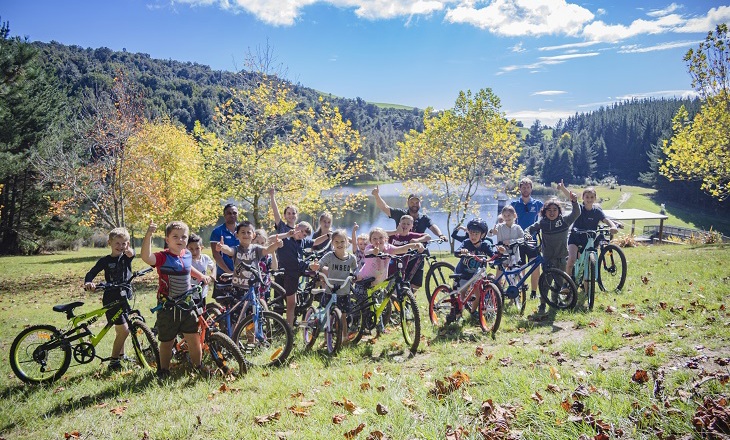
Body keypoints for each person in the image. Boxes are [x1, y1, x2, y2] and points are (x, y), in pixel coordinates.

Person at [141, 220, 211, 379]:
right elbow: (146, 256)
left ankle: (198, 366)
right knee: (167, 341)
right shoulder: (163, 257)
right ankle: (163, 370)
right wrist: (149, 234)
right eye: (175, 237)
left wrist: (201, 276)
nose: (180, 240)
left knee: (193, 338)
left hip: (187, 304)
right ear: (167, 240)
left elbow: (188, 269)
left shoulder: (186, 254)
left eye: (183, 237)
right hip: (168, 306)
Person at [524, 180, 581, 321]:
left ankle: (554, 303)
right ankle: (543, 304)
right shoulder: (543, 223)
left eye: (555, 210)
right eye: (549, 210)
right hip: (547, 258)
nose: (552, 212)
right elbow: (530, 229)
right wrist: (526, 234)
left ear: (559, 211)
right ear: (544, 212)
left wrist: (574, 201)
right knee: (545, 283)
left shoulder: (565, 221)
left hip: (561, 257)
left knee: (559, 283)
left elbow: (577, 212)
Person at [371, 186, 446, 292]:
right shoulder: (401, 214)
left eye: (417, 202)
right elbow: (385, 208)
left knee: (415, 283)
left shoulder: (424, 218)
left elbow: (432, 226)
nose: (414, 204)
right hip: (401, 252)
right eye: (412, 202)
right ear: (408, 203)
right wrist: (376, 195)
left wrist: (440, 235)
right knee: (398, 279)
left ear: (420, 204)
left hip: (417, 253)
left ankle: (408, 301)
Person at [83, 227, 136, 371]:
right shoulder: (105, 261)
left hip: (125, 297)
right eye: (117, 243)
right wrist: (89, 282)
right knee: (124, 330)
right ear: (110, 243)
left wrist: (130, 251)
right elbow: (91, 273)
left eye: (124, 243)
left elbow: (132, 254)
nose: (121, 247)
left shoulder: (126, 256)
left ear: (128, 244)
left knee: (122, 329)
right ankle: (113, 362)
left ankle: (121, 355)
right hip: (111, 298)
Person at [273, 221, 330, 327]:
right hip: (289, 271)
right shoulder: (286, 237)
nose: (302, 235)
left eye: (304, 234)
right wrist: (286, 234)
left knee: (324, 272)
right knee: (292, 303)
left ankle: (326, 298)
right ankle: (289, 329)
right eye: (301, 231)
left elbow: (315, 242)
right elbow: (271, 239)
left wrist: (327, 236)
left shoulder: (302, 241)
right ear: (296, 226)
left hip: (301, 268)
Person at [212, 221, 283, 303]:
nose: (246, 235)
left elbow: (267, 250)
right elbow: (229, 250)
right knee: (238, 313)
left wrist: (276, 245)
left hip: (254, 286)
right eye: (243, 232)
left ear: (253, 235)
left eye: (248, 232)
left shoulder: (256, 249)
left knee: (254, 310)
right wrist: (222, 247)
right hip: (238, 286)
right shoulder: (236, 249)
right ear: (237, 235)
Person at [309, 230, 356, 342]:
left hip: (344, 291)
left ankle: (344, 338)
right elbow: (319, 264)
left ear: (346, 243)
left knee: (343, 316)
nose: (339, 244)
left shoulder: (351, 258)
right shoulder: (330, 256)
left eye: (342, 241)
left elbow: (356, 270)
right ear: (332, 243)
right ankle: (326, 340)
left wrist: (356, 275)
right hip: (330, 290)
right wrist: (315, 266)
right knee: (328, 316)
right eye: (336, 242)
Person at [565, 187, 619, 281]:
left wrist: (613, 226)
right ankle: (566, 282)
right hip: (575, 238)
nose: (589, 199)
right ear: (583, 197)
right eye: (587, 197)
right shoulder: (579, 208)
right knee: (572, 259)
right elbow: (571, 199)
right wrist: (562, 188)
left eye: (591, 197)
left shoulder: (597, 211)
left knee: (587, 264)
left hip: (588, 240)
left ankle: (587, 289)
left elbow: (606, 220)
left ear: (595, 198)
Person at [448, 218, 495, 323]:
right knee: (461, 294)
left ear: (482, 235)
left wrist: (498, 255)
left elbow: (492, 255)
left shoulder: (485, 245)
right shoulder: (466, 243)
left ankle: (473, 312)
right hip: (462, 272)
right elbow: (457, 252)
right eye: (471, 233)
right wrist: (462, 251)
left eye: (476, 234)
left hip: (475, 274)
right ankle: (458, 314)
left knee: (478, 294)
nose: (473, 236)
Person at [511, 178, 544, 300]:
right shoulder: (514, 204)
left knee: (535, 266)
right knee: (520, 267)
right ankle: (520, 290)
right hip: (517, 240)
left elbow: (547, 215)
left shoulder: (537, 204)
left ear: (531, 188)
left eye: (528, 187)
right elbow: (504, 216)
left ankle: (534, 292)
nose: (525, 189)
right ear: (520, 189)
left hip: (531, 239)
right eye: (523, 187)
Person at [358, 227, 425, 285]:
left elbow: (402, 249)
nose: (378, 240)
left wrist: (416, 245)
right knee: (362, 298)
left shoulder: (389, 248)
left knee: (380, 299)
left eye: (381, 238)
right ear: (370, 241)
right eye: (374, 239)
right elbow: (367, 252)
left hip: (380, 281)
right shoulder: (369, 247)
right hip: (365, 279)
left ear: (386, 239)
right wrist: (374, 251)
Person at [210, 203, 239, 283]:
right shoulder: (217, 231)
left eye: (234, 213)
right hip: (223, 273)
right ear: (224, 215)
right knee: (223, 296)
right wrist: (229, 272)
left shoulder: (243, 231)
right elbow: (216, 254)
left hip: (242, 274)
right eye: (229, 213)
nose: (232, 215)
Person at [187, 233, 215, 307]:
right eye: (191, 249)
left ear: (201, 248)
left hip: (202, 294)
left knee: (202, 313)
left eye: (197, 248)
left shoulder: (205, 258)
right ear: (186, 249)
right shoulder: (186, 260)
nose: (194, 252)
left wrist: (211, 276)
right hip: (189, 295)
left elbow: (214, 267)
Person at [254, 228, 278, 300]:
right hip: (251, 286)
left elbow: (274, 267)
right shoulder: (249, 254)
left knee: (263, 308)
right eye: (257, 242)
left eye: (262, 243)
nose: (260, 245)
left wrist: (273, 252)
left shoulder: (267, 256)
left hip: (264, 286)